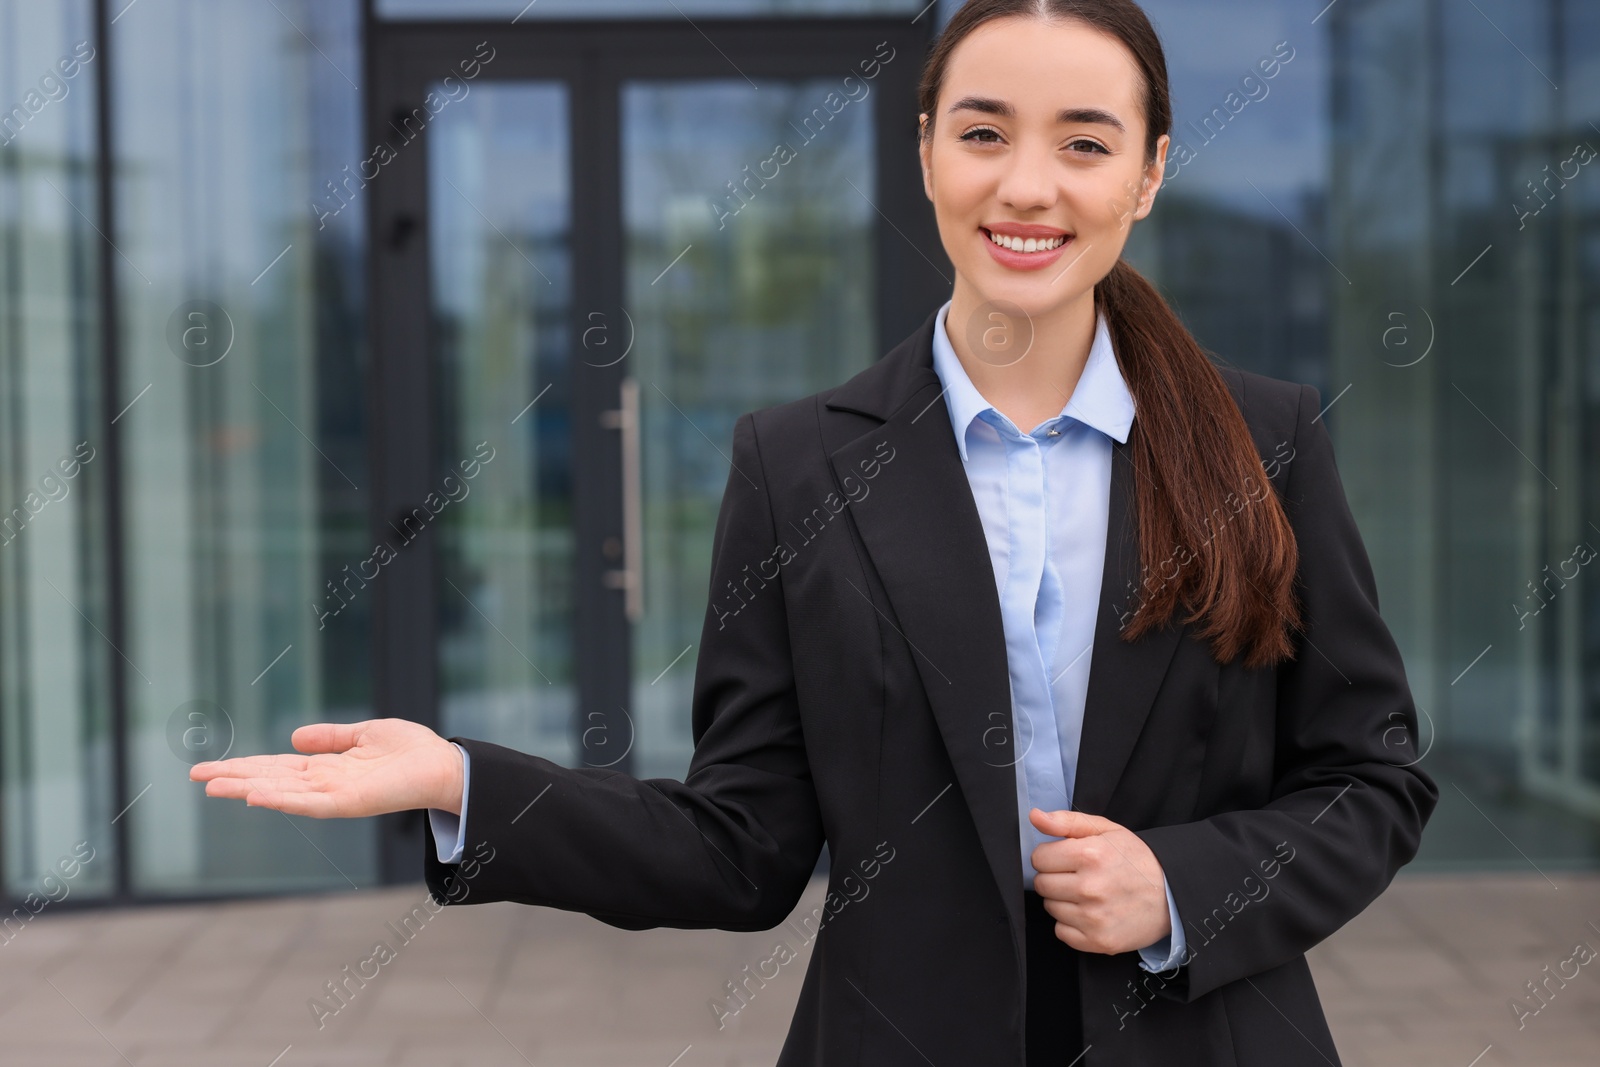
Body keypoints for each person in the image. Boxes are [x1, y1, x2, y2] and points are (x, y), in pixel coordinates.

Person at [191, 1, 1438, 1063]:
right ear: (926, 151)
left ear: (1149, 171)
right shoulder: (796, 465)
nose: (1026, 184)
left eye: (1085, 142)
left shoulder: (1263, 441)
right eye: (984, 131)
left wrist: (1180, 885)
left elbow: (1372, 776)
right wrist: (463, 781)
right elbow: (740, 847)